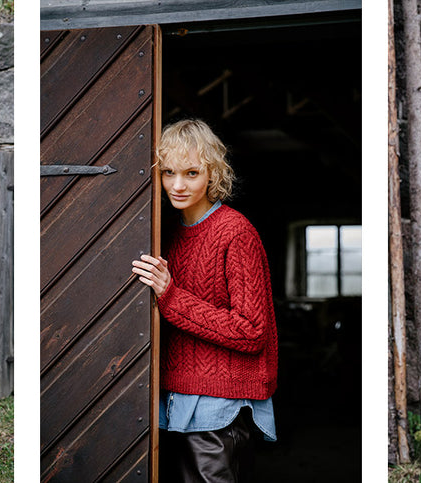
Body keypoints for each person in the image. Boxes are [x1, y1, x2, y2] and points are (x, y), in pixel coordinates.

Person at [131, 119, 278, 482]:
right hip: (173, 399)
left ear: (212, 173)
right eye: (168, 172)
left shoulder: (235, 231)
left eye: (191, 173)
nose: (177, 185)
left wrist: (171, 296)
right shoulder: (164, 231)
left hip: (219, 407)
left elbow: (251, 331)